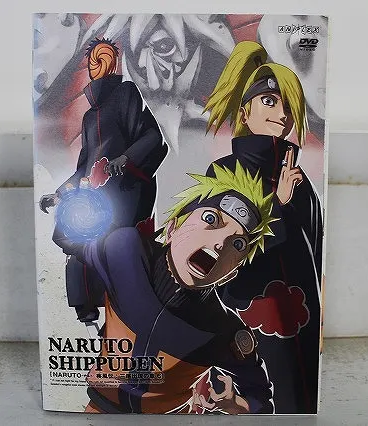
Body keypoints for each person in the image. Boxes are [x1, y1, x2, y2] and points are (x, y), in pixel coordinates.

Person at [64, 163, 276, 414]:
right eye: (211, 219)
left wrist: (234, 404)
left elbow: (261, 400)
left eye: (238, 244)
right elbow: (70, 242)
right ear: (173, 228)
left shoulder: (223, 330)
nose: (221, 242)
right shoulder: (125, 251)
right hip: (99, 410)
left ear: (232, 272)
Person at [203, 41, 323, 413]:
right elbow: (223, 249)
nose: (282, 114)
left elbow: (316, 249)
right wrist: (279, 205)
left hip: (302, 315)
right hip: (247, 312)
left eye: (288, 105)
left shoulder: (299, 179)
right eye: (269, 101)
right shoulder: (225, 171)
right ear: (245, 111)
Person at [40, 38, 168, 322]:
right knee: (70, 238)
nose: (98, 64)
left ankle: (129, 304)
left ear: (113, 61)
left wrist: (126, 160)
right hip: (92, 198)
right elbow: (83, 166)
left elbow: (152, 137)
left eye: (104, 56)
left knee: (115, 244)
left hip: (125, 191)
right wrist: (59, 194)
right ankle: (88, 307)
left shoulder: (126, 94)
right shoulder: (89, 118)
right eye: (93, 60)